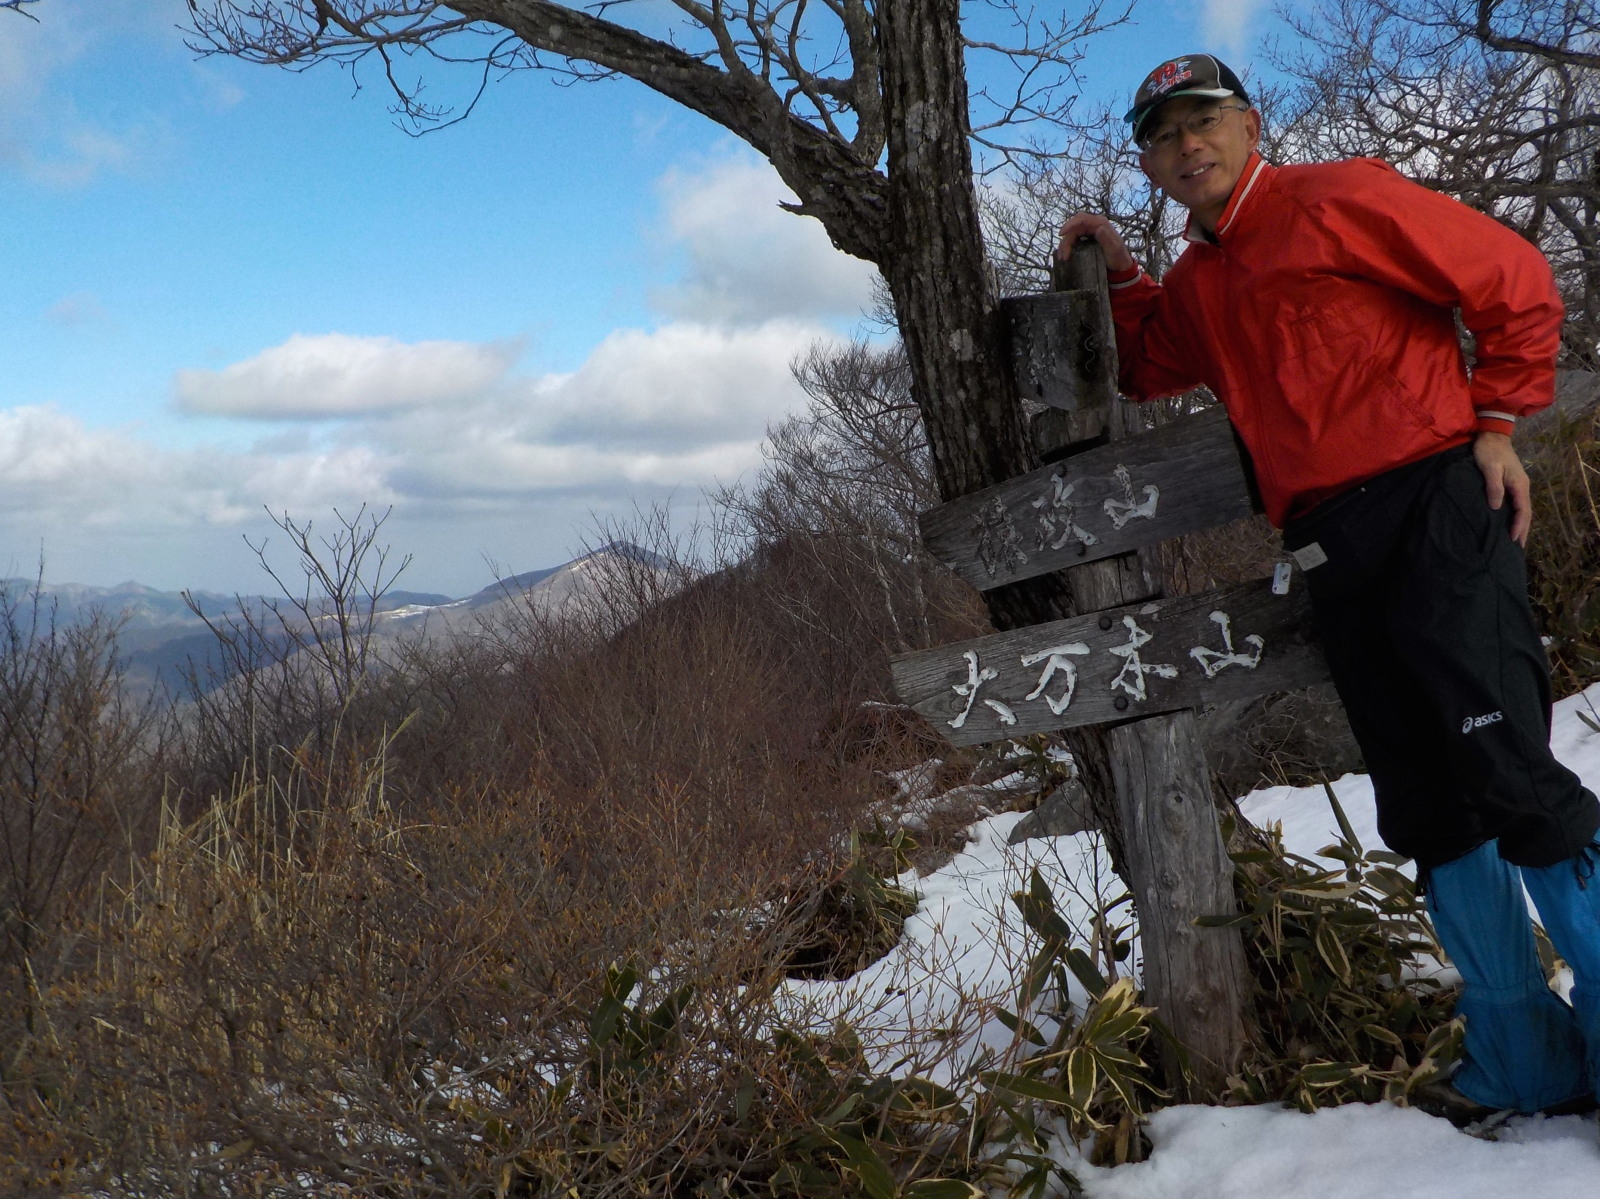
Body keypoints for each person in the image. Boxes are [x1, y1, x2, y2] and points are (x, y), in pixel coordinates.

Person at [1057, 53, 1600, 1121]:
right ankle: (1522, 1061)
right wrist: (1122, 275)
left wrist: (1498, 421)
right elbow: (1154, 365)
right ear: (1151, 163)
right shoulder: (1200, 280)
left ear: (1249, 124)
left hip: (1434, 508)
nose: (1187, 145)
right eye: (1163, 135)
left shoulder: (1339, 198)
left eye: (1204, 120)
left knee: (1511, 773)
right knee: (1427, 803)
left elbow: (1513, 280)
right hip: (1327, 547)